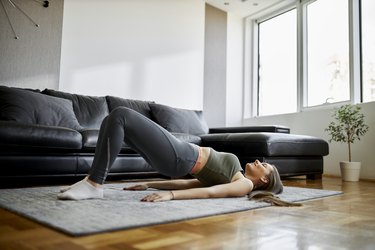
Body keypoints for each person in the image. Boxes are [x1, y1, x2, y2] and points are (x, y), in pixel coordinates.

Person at [58, 107, 297, 206]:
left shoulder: (243, 184)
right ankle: (92, 181)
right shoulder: (235, 175)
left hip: (180, 156)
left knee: (121, 114)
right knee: (112, 120)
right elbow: (191, 182)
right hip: (178, 156)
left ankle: (94, 183)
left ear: (264, 180)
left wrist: (170, 196)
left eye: (264, 166)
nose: (259, 162)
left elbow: (210, 193)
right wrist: (150, 183)